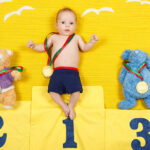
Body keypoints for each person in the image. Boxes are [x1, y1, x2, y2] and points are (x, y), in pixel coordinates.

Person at [27, 8, 99, 120]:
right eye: (63, 22)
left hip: (72, 72)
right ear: (56, 25)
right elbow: (43, 47)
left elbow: (84, 48)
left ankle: (71, 105)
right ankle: (63, 106)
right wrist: (34, 46)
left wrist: (91, 42)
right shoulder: (53, 37)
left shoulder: (76, 37)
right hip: (58, 72)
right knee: (52, 91)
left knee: (76, 92)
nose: (67, 26)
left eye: (71, 23)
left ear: (76, 25)